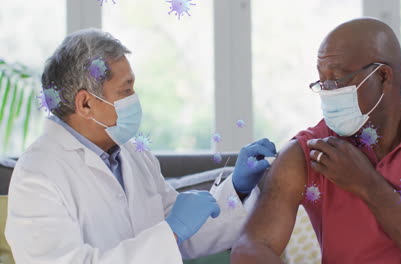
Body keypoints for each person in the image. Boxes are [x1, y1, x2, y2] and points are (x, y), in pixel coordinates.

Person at [5, 29, 277, 264]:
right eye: (125, 91)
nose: (134, 99)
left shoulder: (133, 153)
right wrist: (170, 232)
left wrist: (237, 189)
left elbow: (183, 236)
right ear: (85, 103)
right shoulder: (37, 176)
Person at [231, 18, 401, 264]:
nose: (327, 93)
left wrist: (368, 185)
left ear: (383, 77)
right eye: (322, 82)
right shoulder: (310, 151)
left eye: (337, 80)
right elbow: (250, 249)